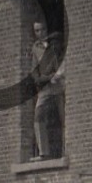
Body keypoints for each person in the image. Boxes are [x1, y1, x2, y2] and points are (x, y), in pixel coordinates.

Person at [29, 20, 65, 160]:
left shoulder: (56, 43)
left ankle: (66, 150)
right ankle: (44, 152)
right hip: (45, 88)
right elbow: (34, 68)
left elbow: (60, 62)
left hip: (58, 85)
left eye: (42, 29)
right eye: (37, 31)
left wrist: (53, 76)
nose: (40, 33)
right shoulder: (36, 47)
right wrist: (38, 79)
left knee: (63, 117)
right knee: (38, 116)